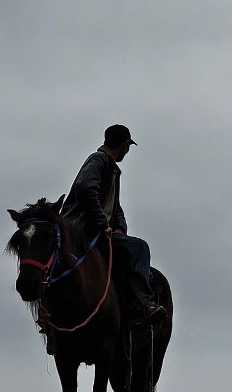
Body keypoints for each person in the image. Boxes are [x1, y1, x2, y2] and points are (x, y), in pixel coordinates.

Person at [62, 124, 162, 323]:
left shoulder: (111, 168)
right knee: (139, 248)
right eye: (128, 146)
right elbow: (85, 188)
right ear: (125, 145)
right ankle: (142, 303)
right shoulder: (100, 160)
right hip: (85, 231)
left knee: (125, 250)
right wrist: (102, 224)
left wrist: (119, 227)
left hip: (98, 231)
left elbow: (115, 207)